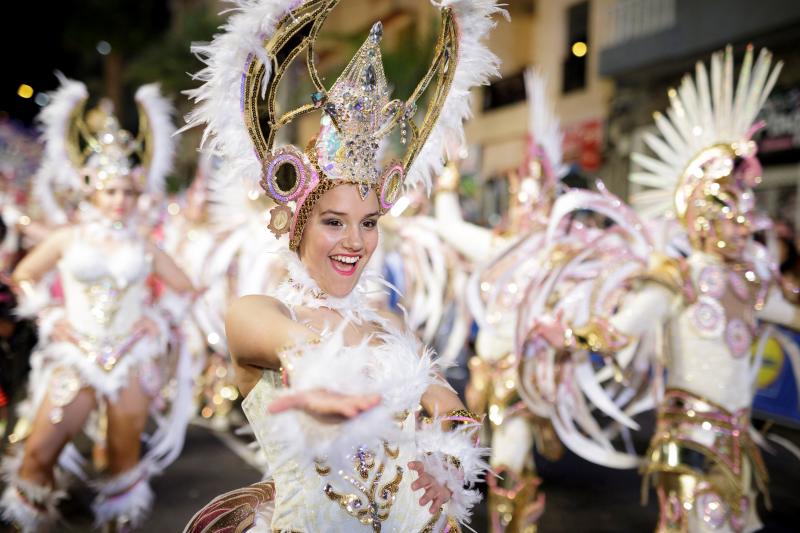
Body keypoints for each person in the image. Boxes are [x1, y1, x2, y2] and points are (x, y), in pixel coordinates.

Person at [181, 0, 504, 530]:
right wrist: (317, 373)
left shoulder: (388, 323)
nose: (355, 241)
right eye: (334, 222)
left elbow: (452, 407)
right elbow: (288, 340)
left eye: (369, 222)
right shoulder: (258, 311)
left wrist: (450, 457)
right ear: (297, 223)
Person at [525, 46, 800, 532]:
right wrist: (565, 335)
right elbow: (618, 330)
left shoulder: (752, 281)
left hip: (737, 446)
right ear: (702, 215)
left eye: (746, 213)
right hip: (690, 441)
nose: (743, 226)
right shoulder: (678, 278)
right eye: (730, 212)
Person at [0, 77, 196, 532]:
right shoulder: (68, 238)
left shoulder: (145, 243)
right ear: (91, 190)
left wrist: (159, 318)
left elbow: (186, 288)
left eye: (128, 192)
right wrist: (49, 315)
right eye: (111, 192)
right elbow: (25, 275)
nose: (120, 201)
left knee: (123, 460)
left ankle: (116, 526)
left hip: (131, 357)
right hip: (75, 355)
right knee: (38, 452)